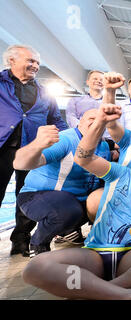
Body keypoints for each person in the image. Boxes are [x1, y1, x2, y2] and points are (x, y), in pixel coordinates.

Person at [21, 103, 131, 300]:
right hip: (96, 254)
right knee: (35, 268)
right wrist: (101, 122)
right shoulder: (118, 173)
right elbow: (83, 158)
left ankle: (104, 290)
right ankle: (122, 294)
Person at [12, 109, 110, 256]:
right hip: (36, 197)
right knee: (68, 211)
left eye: (101, 120)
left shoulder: (104, 147)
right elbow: (23, 163)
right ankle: (38, 243)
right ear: (80, 121)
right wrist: (37, 145)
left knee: (107, 197)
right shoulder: (64, 139)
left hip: (72, 200)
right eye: (91, 118)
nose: (96, 122)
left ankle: (70, 232)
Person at [0, 44, 68, 256]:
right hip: (3, 148)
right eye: (30, 61)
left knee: (28, 196)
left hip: (32, 151)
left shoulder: (44, 92)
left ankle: (21, 240)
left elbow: (56, 120)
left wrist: (70, 141)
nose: (35, 66)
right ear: (11, 60)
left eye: (37, 62)